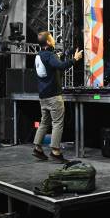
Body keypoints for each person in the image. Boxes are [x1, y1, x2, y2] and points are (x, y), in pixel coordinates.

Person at [32, 31, 83, 162]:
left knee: (44, 122)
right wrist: (75, 59)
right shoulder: (49, 55)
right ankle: (55, 151)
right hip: (54, 96)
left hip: (43, 96)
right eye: (52, 38)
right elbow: (60, 66)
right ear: (48, 42)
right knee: (57, 123)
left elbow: (50, 66)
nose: (54, 40)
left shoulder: (39, 55)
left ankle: (37, 148)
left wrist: (59, 56)